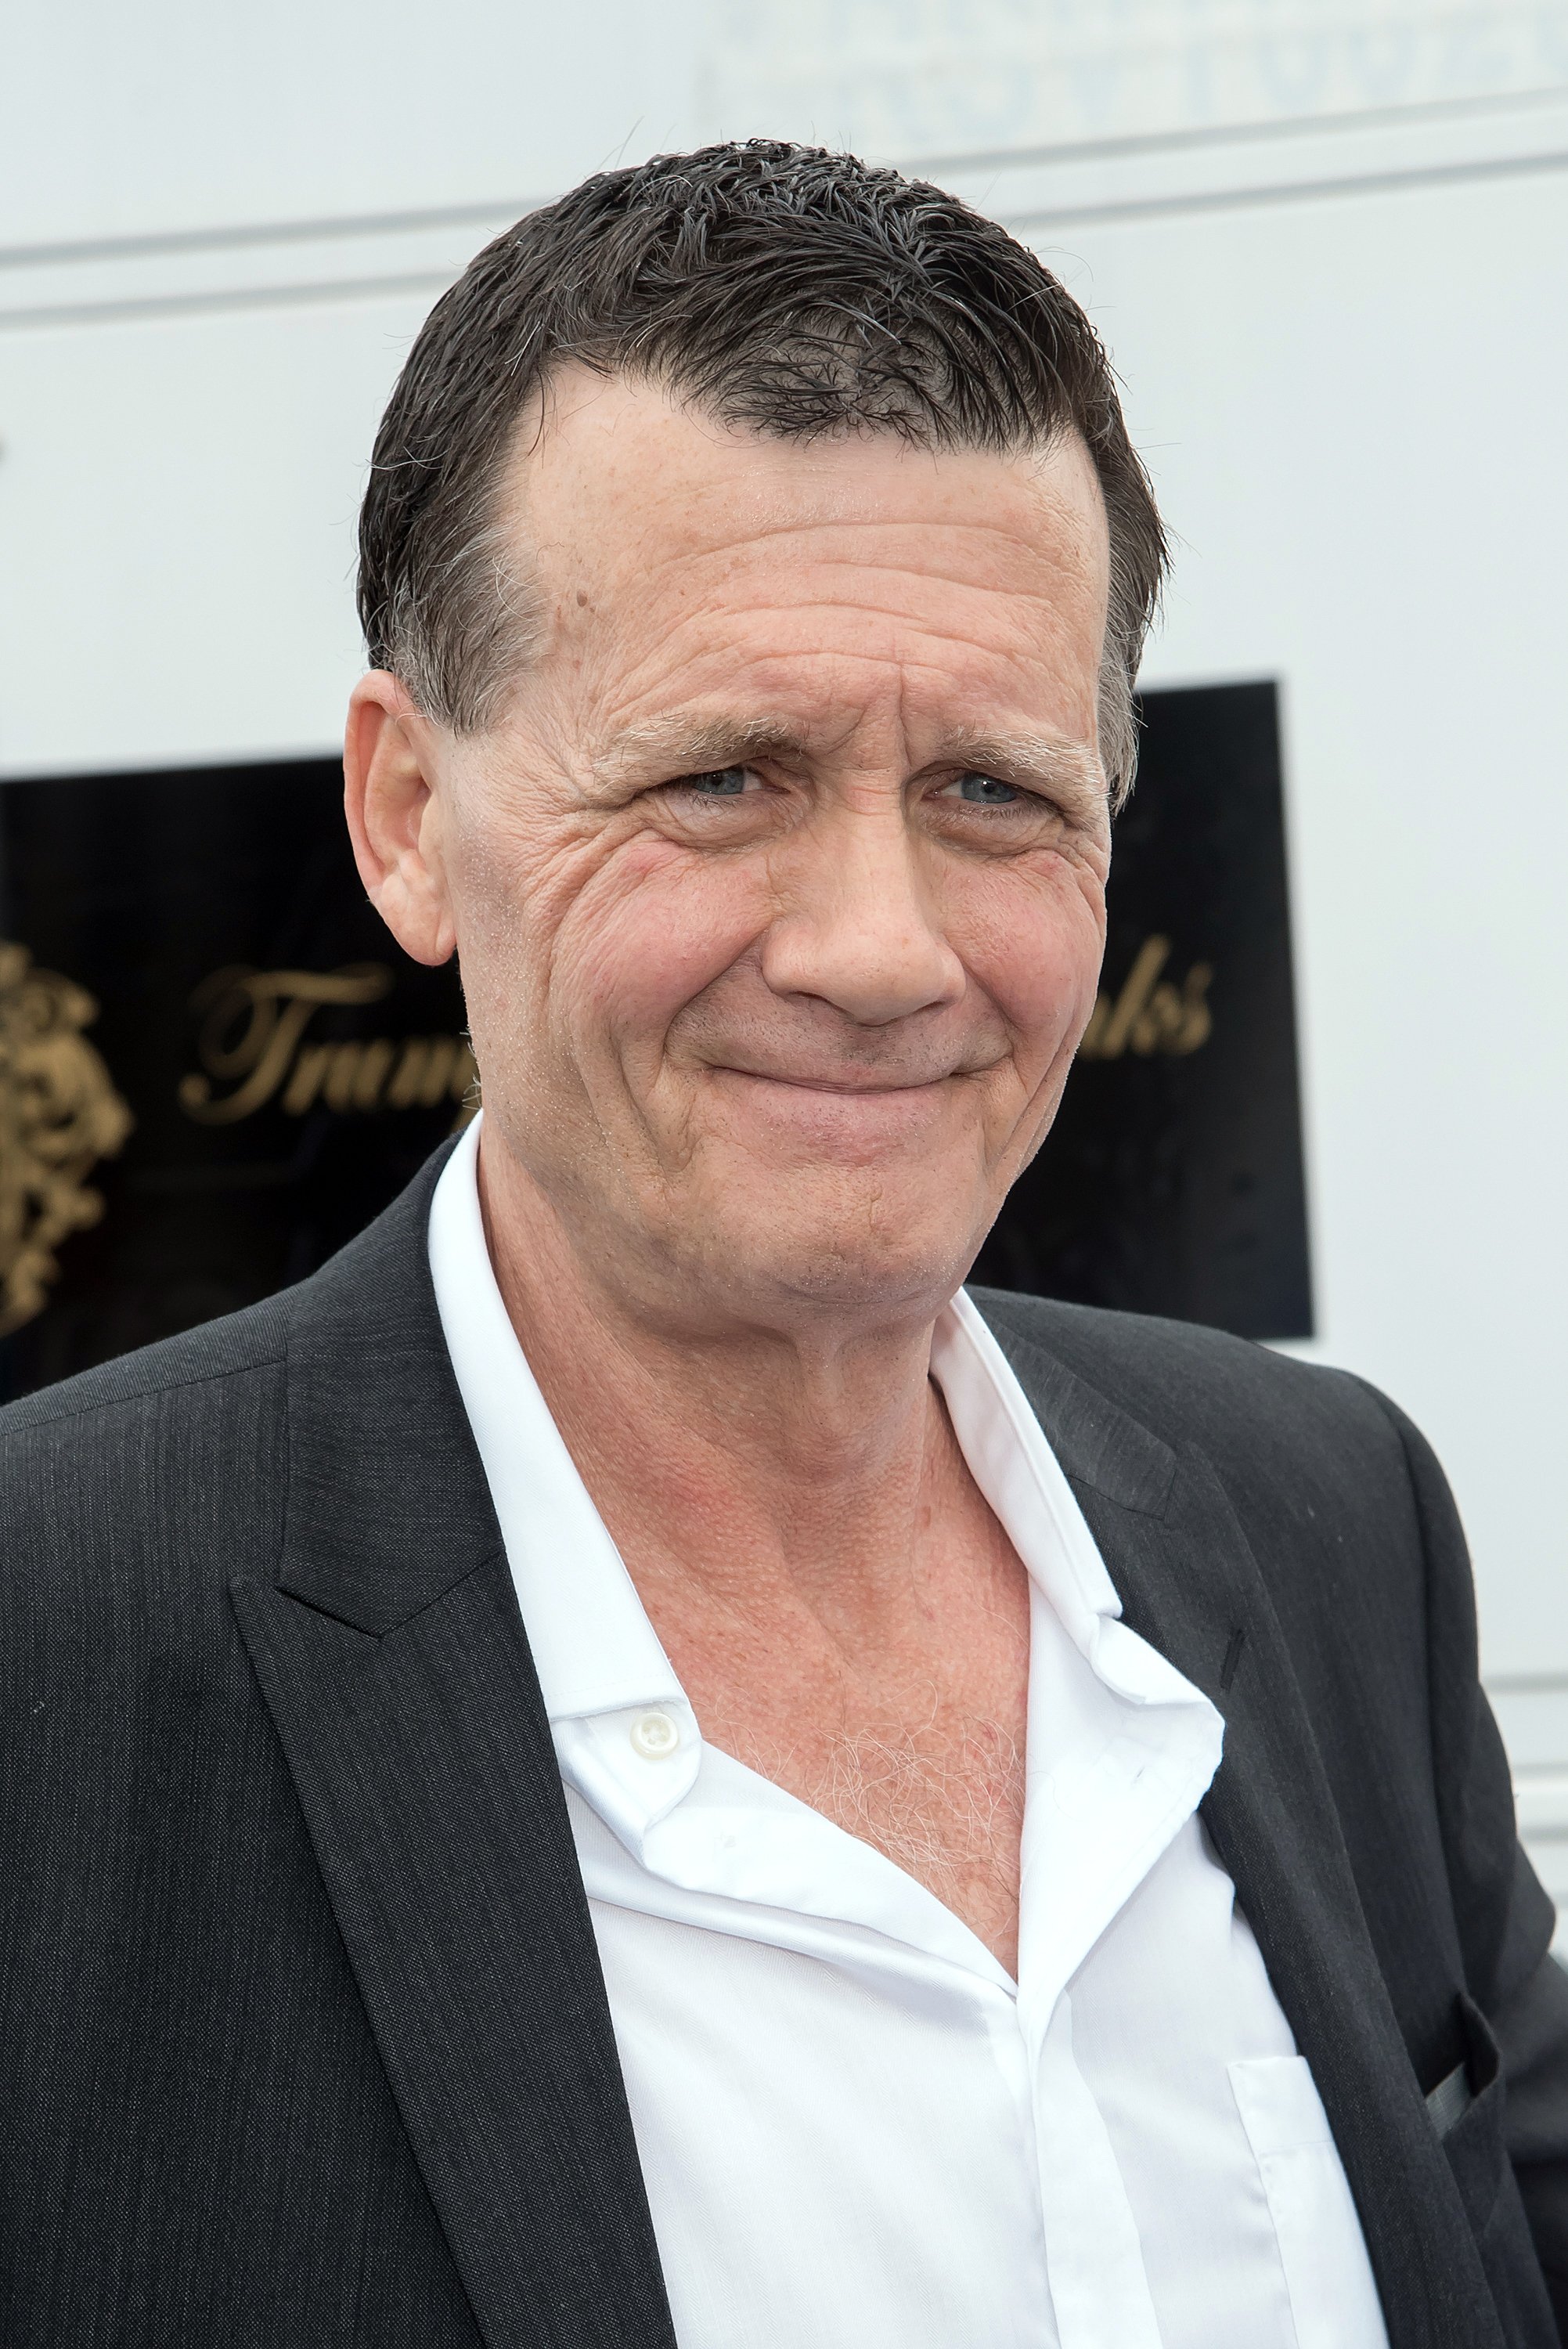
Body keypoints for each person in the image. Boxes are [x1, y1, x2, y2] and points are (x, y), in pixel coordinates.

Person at [1, 140, 1563, 2349]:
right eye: (723, 778)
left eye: (993, 793)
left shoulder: (1323, 1528)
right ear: (404, 819)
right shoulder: (50, 1655)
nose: (877, 948)